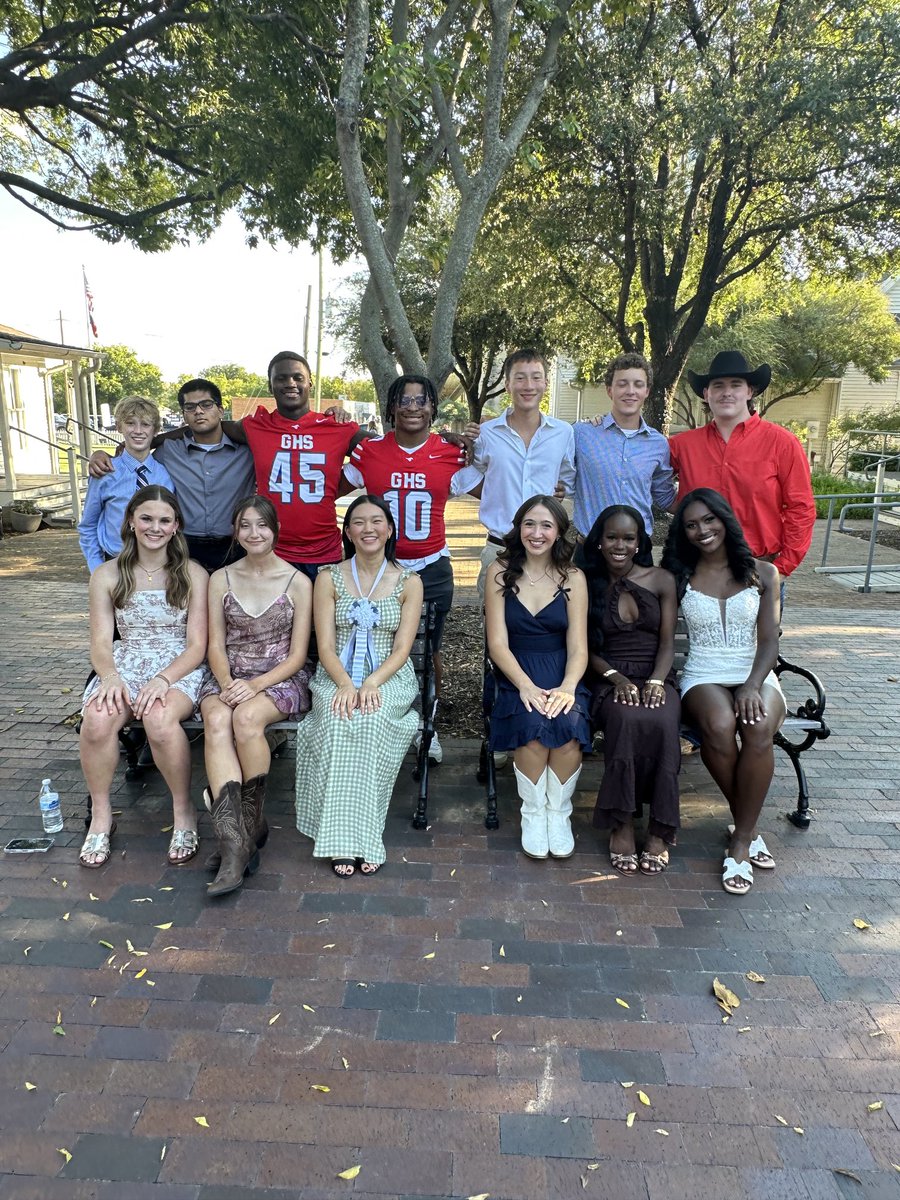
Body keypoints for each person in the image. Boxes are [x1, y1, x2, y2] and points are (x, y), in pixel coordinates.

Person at [661, 488, 786, 895]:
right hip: (704, 671)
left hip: (754, 671)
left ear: (724, 519)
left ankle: (741, 840)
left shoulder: (762, 572)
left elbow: (769, 641)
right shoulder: (678, 576)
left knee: (757, 723)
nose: (702, 530)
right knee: (719, 723)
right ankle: (747, 827)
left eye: (709, 520)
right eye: (692, 525)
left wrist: (752, 684)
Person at [342, 373, 472, 762]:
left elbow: (494, 486)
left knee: (427, 651)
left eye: (421, 401)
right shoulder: (369, 452)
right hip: (377, 568)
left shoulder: (451, 453)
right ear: (391, 407)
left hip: (430, 566)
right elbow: (331, 485)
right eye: (405, 400)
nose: (413, 407)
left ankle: (425, 726)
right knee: (372, 643)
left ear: (433, 408)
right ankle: (377, 716)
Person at [78, 486, 208, 868]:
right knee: (97, 720)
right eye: (147, 518)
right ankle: (102, 816)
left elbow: (197, 645)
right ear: (131, 522)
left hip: (177, 664)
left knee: (159, 719)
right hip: (126, 661)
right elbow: (101, 641)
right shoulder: (107, 573)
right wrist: (110, 676)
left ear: (176, 526)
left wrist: (164, 680)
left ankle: (183, 812)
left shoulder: (193, 574)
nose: (155, 527)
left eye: (164, 520)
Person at [295, 495, 422, 877]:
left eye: (376, 521)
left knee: (370, 720)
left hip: (388, 675)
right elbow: (326, 644)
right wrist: (345, 683)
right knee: (338, 718)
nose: (368, 528)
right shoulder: (328, 577)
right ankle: (338, 838)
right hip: (336, 673)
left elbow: (402, 648)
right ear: (347, 532)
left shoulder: (408, 581)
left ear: (389, 529)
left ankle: (366, 834)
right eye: (359, 522)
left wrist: (371, 682)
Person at [198, 496, 312, 897]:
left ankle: (247, 827)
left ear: (274, 530)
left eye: (261, 525)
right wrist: (229, 682)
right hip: (227, 674)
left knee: (245, 719)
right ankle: (236, 842)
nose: (253, 533)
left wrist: (256, 685)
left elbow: (298, 655)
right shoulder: (220, 578)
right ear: (235, 530)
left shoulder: (297, 581)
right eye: (245, 525)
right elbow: (215, 643)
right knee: (215, 719)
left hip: (279, 678)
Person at [484, 495, 591, 859]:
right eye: (529, 524)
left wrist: (568, 687)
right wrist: (525, 685)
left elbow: (578, 646)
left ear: (559, 531)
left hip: (562, 671)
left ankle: (558, 814)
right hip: (515, 672)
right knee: (531, 732)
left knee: (566, 735)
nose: (537, 533)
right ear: (518, 528)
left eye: (546, 525)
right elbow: (497, 643)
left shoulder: (573, 577)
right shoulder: (499, 571)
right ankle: (533, 813)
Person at [581, 505, 680, 875]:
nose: (619, 545)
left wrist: (656, 681)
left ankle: (659, 829)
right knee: (625, 717)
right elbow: (583, 647)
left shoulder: (661, 579)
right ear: (600, 541)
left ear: (639, 543)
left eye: (628, 538)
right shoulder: (585, 581)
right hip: (608, 677)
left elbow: (667, 643)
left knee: (663, 721)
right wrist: (616, 679)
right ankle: (621, 822)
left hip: (656, 674)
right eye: (611, 537)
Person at [668, 351, 816, 583]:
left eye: (736, 385)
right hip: (695, 572)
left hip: (758, 569)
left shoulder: (782, 443)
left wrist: (782, 568)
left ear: (750, 391)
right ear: (706, 394)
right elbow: (641, 472)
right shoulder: (681, 445)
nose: (727, 392)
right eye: (718, 386)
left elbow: (801, 508)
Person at [87, 379, 258, 572]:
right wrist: (100, 455)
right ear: (184, 414)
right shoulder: (168, 452)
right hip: (184, 548)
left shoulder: (248, 453)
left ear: (220, 410)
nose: (199, 411)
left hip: (234, 548)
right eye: (190, 407)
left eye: (206, 404)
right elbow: (135, 459)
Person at [455, 350, 576, 600]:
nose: (528, 386)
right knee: (494, 630)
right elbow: (466, 474)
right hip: (500, 549)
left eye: (536, 377)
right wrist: (493, 493)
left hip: (548, 551)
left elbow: (567, 478)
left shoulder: (563, 433)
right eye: (520, 378)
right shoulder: (486, 433)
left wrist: (559, 493)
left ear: (545, 383)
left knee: (545, 630)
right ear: (508, 384)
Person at [573, 352, 676, 541]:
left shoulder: (658, 444)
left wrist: (709, 508)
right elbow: (559, 474)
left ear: (647, 391)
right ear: (609, 390)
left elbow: (665, 497)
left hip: (637, 550)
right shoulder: (581, 434)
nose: (630, 391)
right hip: (590, 549)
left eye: (638, 384)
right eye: (622, 384)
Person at [78, 396, 174, 572]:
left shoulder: (166, 475)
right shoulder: (105, 473)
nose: (138, 431)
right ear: (119, 427)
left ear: (156, 430)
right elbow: (88, 526)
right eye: (130, 423)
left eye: (145, 424)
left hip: (156, 567)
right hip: (115, 562)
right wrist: (97, 568)